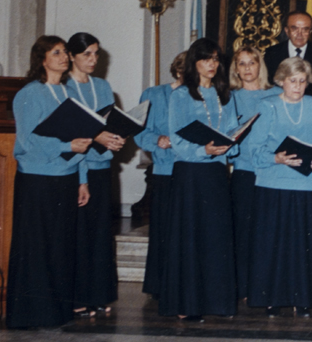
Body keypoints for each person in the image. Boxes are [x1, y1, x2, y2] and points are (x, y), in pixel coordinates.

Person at [6, 36, 92, 329]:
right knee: (37, 247)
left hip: (66, 178)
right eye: (56, 52)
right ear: (41, 59)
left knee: (60, 247)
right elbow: (28, 141)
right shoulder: (29, 94)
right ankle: (33, 313)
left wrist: (82, 180)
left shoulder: (69, 93)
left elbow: (80, 136)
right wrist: (66, 146)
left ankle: (57, 311)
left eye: (65, 52)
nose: (64, 57)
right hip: (38, 180)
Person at [248, 58, 312, 316]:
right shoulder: (267, 105)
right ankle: (272, 298)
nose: (297, 87)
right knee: (273, 243)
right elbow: (254, 150)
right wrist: (276, 158)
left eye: (302, 81)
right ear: (280, 81)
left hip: (307, 184)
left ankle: (304, 298)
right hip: (273, 184)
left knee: (303, 245)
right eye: (292, 81)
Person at [163, 38, 240, 320]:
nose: (212, 65)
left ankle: (217, 303)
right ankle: (188, 305)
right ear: (194, 63)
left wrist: (233, 141)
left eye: (216, 59)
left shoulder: (224, 95)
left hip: (217, 173)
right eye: (206, 59)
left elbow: (231, 130)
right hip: (190, 174)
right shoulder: (181, 96)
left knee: (216, 238)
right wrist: (203, 150)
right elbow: (177, 141)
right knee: (191, 238)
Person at [66, 32, 125, 317]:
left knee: (100, 234)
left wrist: (116, 137)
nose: (93, 59)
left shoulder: (102, 86)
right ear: (72, 56)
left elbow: (109, 123)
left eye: (96, 53)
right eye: (87, 54)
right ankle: (77, 296)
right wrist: (98, 137)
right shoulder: (64, 86)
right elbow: (69, 129)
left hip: (102, 166)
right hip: (77, 167)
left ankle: (97, 295)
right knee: (78, 234)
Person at [135, 52, 186, 298]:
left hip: (193, 172)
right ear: (178, 71)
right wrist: (157, 139)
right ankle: (160, 285)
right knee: (164, 230)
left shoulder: (202, 97)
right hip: (165, 171)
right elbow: (139, 132)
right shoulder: (153, 95)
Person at [229, 46, 276, 301]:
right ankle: (245, 287)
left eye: (252, 63)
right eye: (242, 63)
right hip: (245, 171)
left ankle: (268, 284)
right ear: (236, 68)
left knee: (269, 231)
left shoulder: (276, 94)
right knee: (244, 232)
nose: (247, 68)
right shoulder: (230, 98)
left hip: (271, 171)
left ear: (260, 66)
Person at [263, 11, 312, 97]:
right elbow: (268, 84)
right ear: (287, 31)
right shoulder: (272, 53)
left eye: (305, 29)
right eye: (294, 28)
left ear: (310, 32)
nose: (300, 34)